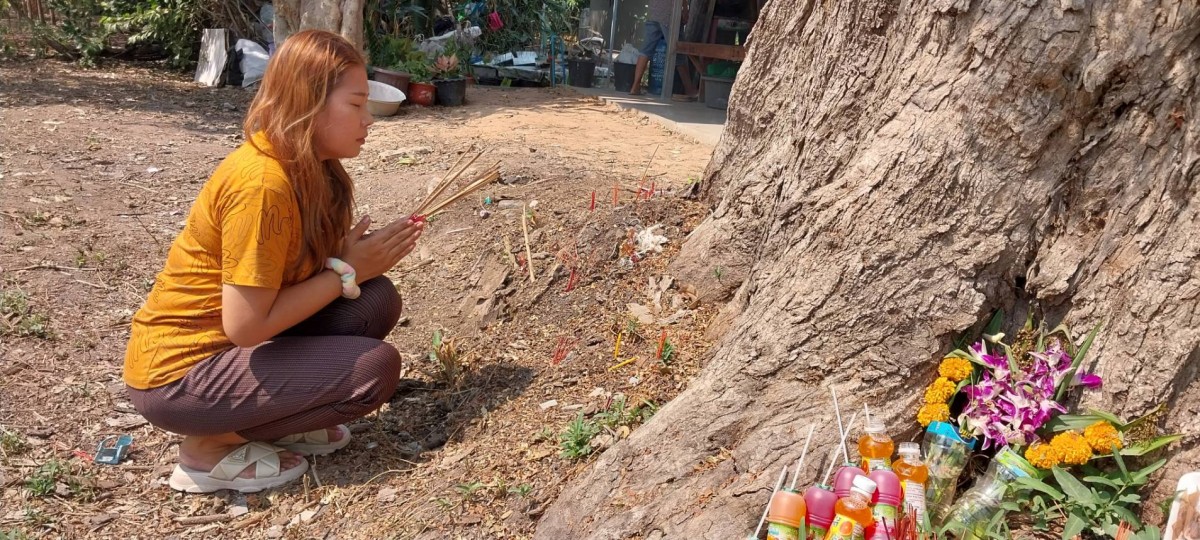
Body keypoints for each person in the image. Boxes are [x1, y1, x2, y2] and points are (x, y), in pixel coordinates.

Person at [123, 29, 424, 493]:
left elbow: (289, 281)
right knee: (373, 370)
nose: (369, 120)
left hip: (230, 352)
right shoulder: (262, 185)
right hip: (179, 374)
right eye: (355, 104)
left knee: (375, 300)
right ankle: (206, 448)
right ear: (308, 103)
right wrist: (347, 270)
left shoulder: (317, 171)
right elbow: (245, 328)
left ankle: (275, 415)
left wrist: (345, 260)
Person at [629, 0, 699, 99]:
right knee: (678, 51)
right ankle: (690, 90)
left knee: (646, 50)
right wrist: (685, 10)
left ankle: (635, 87)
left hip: (654, 12)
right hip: (669, 14)